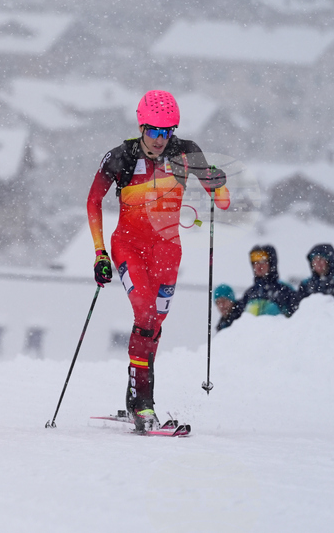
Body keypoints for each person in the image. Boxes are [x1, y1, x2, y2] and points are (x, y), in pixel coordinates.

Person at [86, 90, 229, 432]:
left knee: (156, 324)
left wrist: (218, 183)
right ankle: (143, 405)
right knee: (145, 314)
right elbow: (93, 202)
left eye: (167, 132)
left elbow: (220, 202)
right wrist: (99, 253)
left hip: (167, 251)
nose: (160, 139)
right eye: (153, 131)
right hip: (129, 247)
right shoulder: (120, 157)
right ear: (141, 126)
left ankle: (136, 389)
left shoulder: (186, 152)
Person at [239, 245, 299, 318]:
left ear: (271, 263)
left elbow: (297, 321)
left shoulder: (285, 291)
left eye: (262, 261)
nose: (258, 266)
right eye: (255, 262)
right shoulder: (249, 294)